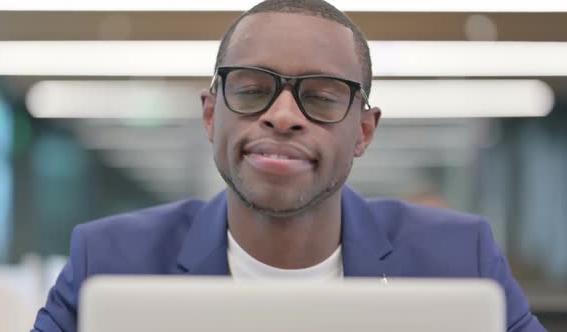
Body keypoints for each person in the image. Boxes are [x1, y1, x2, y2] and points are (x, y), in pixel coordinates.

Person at [32, 0, 546, 331]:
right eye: (253, 90)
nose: (282, 117)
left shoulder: (461, 261)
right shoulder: (107, 260)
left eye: (321, 97)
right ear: (211, 115)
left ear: (363, 131)